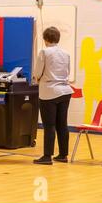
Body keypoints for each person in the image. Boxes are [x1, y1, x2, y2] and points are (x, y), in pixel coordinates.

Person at [33, 27, 74, 165]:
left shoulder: (44, 52)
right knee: (62, 124)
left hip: (49, 92)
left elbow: (38, 72)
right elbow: (67, 71)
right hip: (65, 91)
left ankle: (47, 156)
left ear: (45, 39)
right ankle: (63, 154)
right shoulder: (66, 53)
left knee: (49, 125)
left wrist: (37, 78)